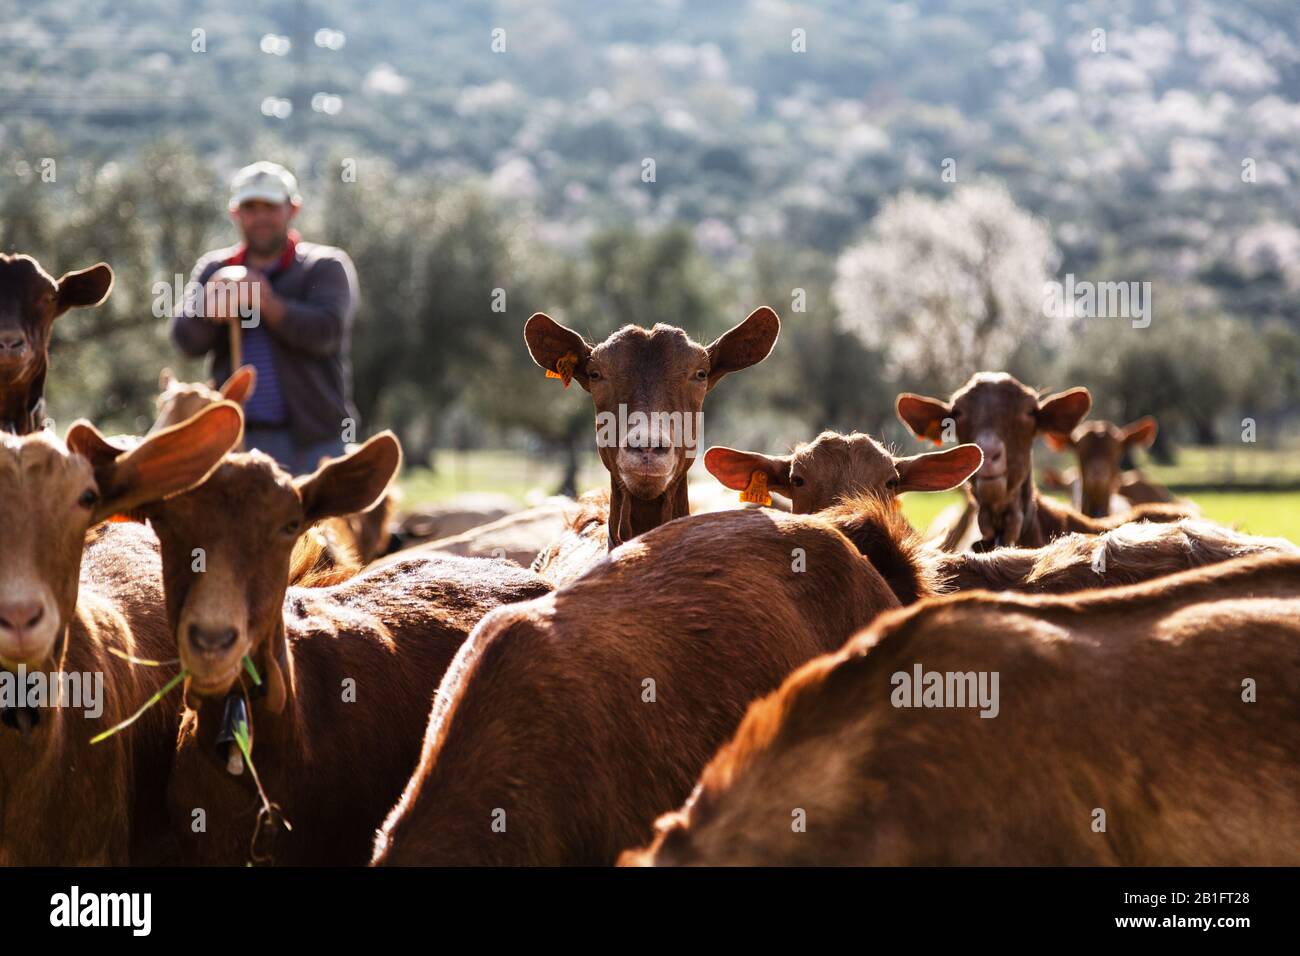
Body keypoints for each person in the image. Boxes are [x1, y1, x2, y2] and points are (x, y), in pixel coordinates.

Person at [170, 161, 360, 474]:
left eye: (270, 207)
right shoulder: (214, 268)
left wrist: (264, 299)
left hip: (314, 444)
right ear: (235, 213)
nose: (260, 217)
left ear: (292, 209)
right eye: (250, 207)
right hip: (237, 439)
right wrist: (208, 310)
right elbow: (185, 341)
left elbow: (326, 334)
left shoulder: (324, 266)